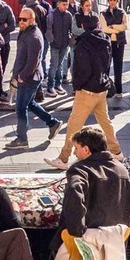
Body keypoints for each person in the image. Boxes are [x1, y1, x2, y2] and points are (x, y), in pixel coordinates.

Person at [53, 15, 123, 166]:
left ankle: (63, 158)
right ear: (97, 25)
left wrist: (77, 85)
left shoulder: (83, 43)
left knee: (74, 125)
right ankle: (117, 152)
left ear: (83, 26)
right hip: (101, 87)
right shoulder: (105, 40)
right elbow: (107, 63)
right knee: (105, 121)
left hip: (87, 90)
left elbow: (82, 69)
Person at [59, 126, 130, 240]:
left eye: (76, 148)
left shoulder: (79, 170)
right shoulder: (122, 170)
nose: (74, 152)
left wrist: (77, 232)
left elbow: (74, 195)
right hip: (116, 241)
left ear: (86, 150)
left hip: (87, 239)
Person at [9, 5, 59, 146]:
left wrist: (21, 77)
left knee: (20, 108)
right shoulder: (25, 32)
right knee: (29, 104)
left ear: (32, 19)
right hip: (26, 77)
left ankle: (22, 139)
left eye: (24, 19)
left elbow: (33, 62)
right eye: (20, 19)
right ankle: (52, 122)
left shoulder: (34, 36)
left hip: (30, 78)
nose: (21, 22)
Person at [46, 0, 75, 93]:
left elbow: (71, 29)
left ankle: (58, 84)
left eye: (67, 5)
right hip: (55, 44)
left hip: (64, 44)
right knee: (54, 65)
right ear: (58, 4)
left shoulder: (68, 15)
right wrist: (52, 40)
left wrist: (69, 40)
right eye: (64, 4)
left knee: (60, 65)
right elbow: (49, 29)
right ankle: (50, 86)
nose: (65, 7)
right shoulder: (52, 14)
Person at [102, 0, 127, 94]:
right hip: (107, 42)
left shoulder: (122, 12)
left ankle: (118, 90)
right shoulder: (103, 13)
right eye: (111, 0)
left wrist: (112, 26)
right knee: (106, 66)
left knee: (118, 66)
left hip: (119, 42)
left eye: (114, 0)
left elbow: (124, 26)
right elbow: (104, 28)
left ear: (117, 1)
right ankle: (105, 89)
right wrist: (117, 28)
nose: (112, 2)